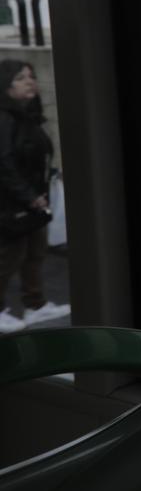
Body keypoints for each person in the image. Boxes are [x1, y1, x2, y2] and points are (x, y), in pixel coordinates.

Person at [0, 59, 70, 333]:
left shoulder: (27, 116)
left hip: (33, 199)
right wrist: (30, 196)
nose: (30, 82)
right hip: (13, 202)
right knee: (9, 257)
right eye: (20, 78)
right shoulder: (5, 118)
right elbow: (3, 163)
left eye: (31, 76)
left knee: (35, 252)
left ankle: (35, 304)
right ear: (5, 85)